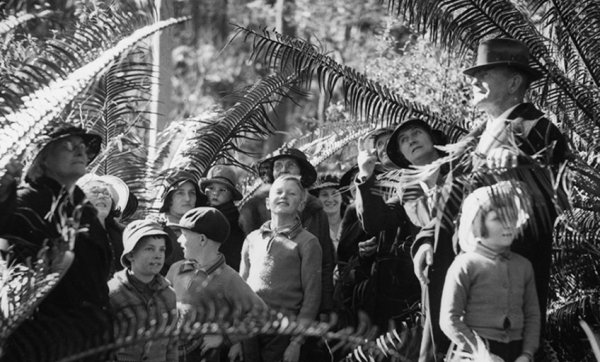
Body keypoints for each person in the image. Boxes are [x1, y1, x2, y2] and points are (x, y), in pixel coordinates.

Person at [412, 38, 568, 361]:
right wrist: (427, 240)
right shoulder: (470, 141)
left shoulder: (538, 131)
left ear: (513, 82)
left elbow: (556, 198)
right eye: (473, 74)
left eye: (485, 73)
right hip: (455, 283)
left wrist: (517, 167)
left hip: (502, 294)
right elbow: (448, 200)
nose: (473, 81)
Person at [0, 126, 113, 362]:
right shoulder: (24, 200)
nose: (80, 151)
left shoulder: (86, 211)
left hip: (91, 344)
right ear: (43, 159)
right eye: (69, 146)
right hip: (40, 345)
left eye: (83, 147)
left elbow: (98, 285)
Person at [440, 181, 540, 362]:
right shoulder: (465, 265)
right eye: (497, 219)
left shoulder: (523, 266)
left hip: (516, 352)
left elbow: (532, 314)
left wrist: (527, 353)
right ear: (478, 222)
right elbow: (449, 319)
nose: (508, 224)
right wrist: (481, 353)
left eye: (512, 217)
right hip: (474, 352)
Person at [238, 147, 334, 318]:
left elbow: (326, 263)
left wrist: (325, 307)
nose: (283, 169)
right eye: (278, 165)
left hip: (299, 308)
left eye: (290, 165)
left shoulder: (316, 211)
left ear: (301, 172)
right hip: (257, 311)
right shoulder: (253, 209)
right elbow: (246, 266)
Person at [166, 207, 266, 362]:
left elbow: (261, 314)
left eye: (184, 235)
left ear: (202, 240)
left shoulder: (228, 278)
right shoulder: (176, 269)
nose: (179, 240)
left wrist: (227, 337)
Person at [240, 175, 322, 362]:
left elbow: (312, 296)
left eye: (291, 193)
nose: (283, 196)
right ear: (268, 203)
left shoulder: (307, 242)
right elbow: (240, 286)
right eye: (278, 192)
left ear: (301, 205)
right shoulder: (252, 239)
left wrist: (296, 342)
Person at [108, 219, 178, 362]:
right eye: (149, 249)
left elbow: (171, 345)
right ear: (130, 255)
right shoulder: (113, 293)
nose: (157, 255)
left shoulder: (169, 295)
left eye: (162, 249)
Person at [156, 170, 207, 275]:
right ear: (169, 199)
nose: (188, 199)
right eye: (180, 193)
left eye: (192, 193)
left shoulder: (203, 229)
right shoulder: (156, 230)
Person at [78, 174, 131, 275]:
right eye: (95, 192)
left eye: (107, 193)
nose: (102, 196)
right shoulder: (68, 232)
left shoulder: (125, 234)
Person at [200, 164, 246, 271]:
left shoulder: (231, 217)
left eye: (222, 190)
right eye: (211, 188)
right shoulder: (204, 211)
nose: (215, 193)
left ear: (231, 195)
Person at [309, 175, 347, 254]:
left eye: (334, 194)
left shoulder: (353, 223)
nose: (330, 199)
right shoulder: (312, 227)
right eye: (324, 195)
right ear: (318, 199)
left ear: (342, 198)